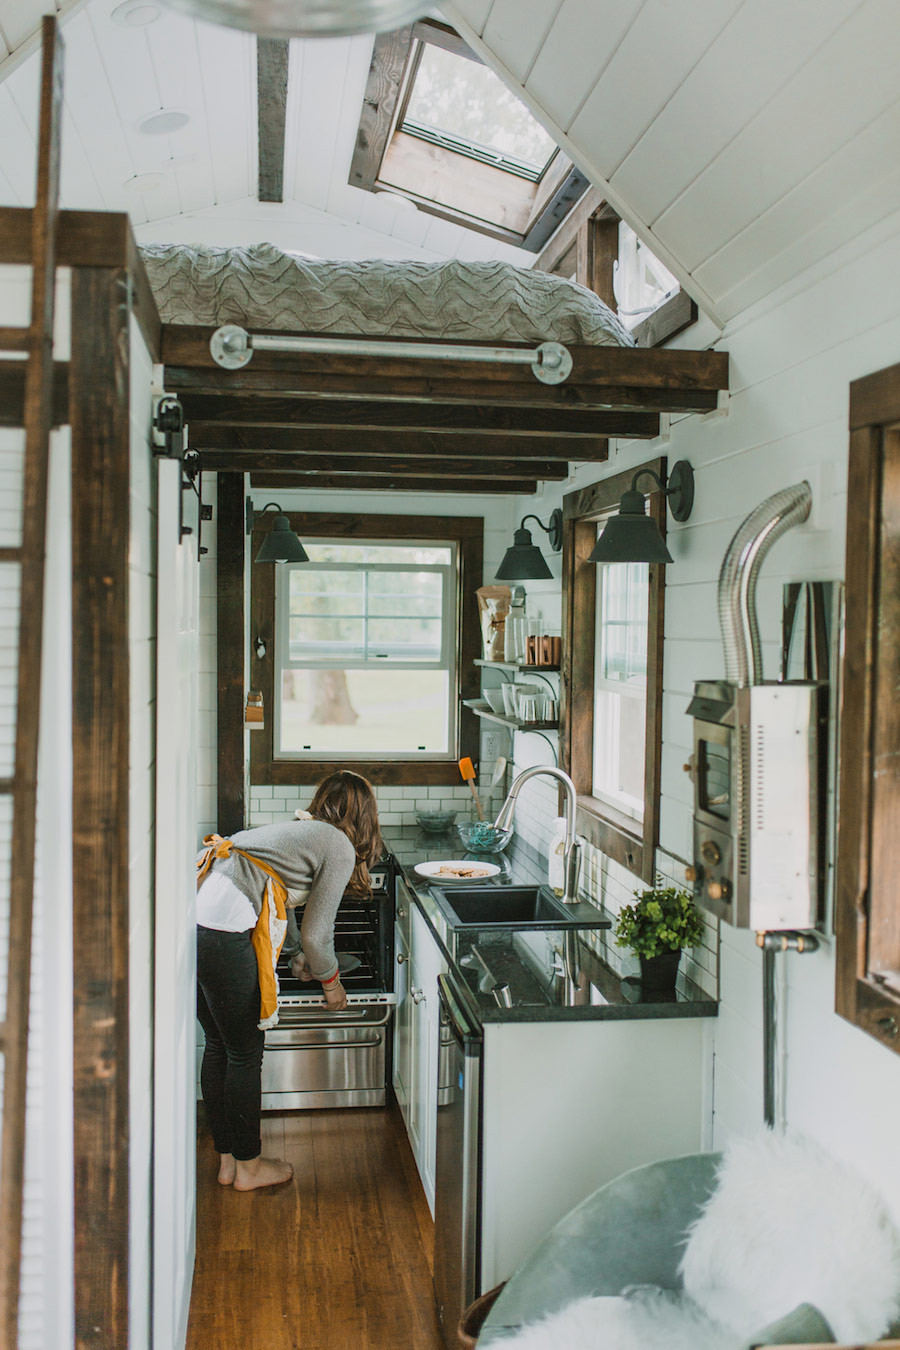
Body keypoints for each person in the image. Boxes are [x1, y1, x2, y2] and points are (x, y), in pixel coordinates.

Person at [195, 770, 382, 1191]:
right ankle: (249, 1168)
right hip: (226, 933)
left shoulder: (303, 831)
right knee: (245, 1053)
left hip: (197, 923)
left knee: (220, 1047)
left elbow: (288, 908)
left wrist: (298, 956)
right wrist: (331, 983)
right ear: (365, 817)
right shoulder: (337, 845)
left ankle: (228, 1162)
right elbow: (320, 934)